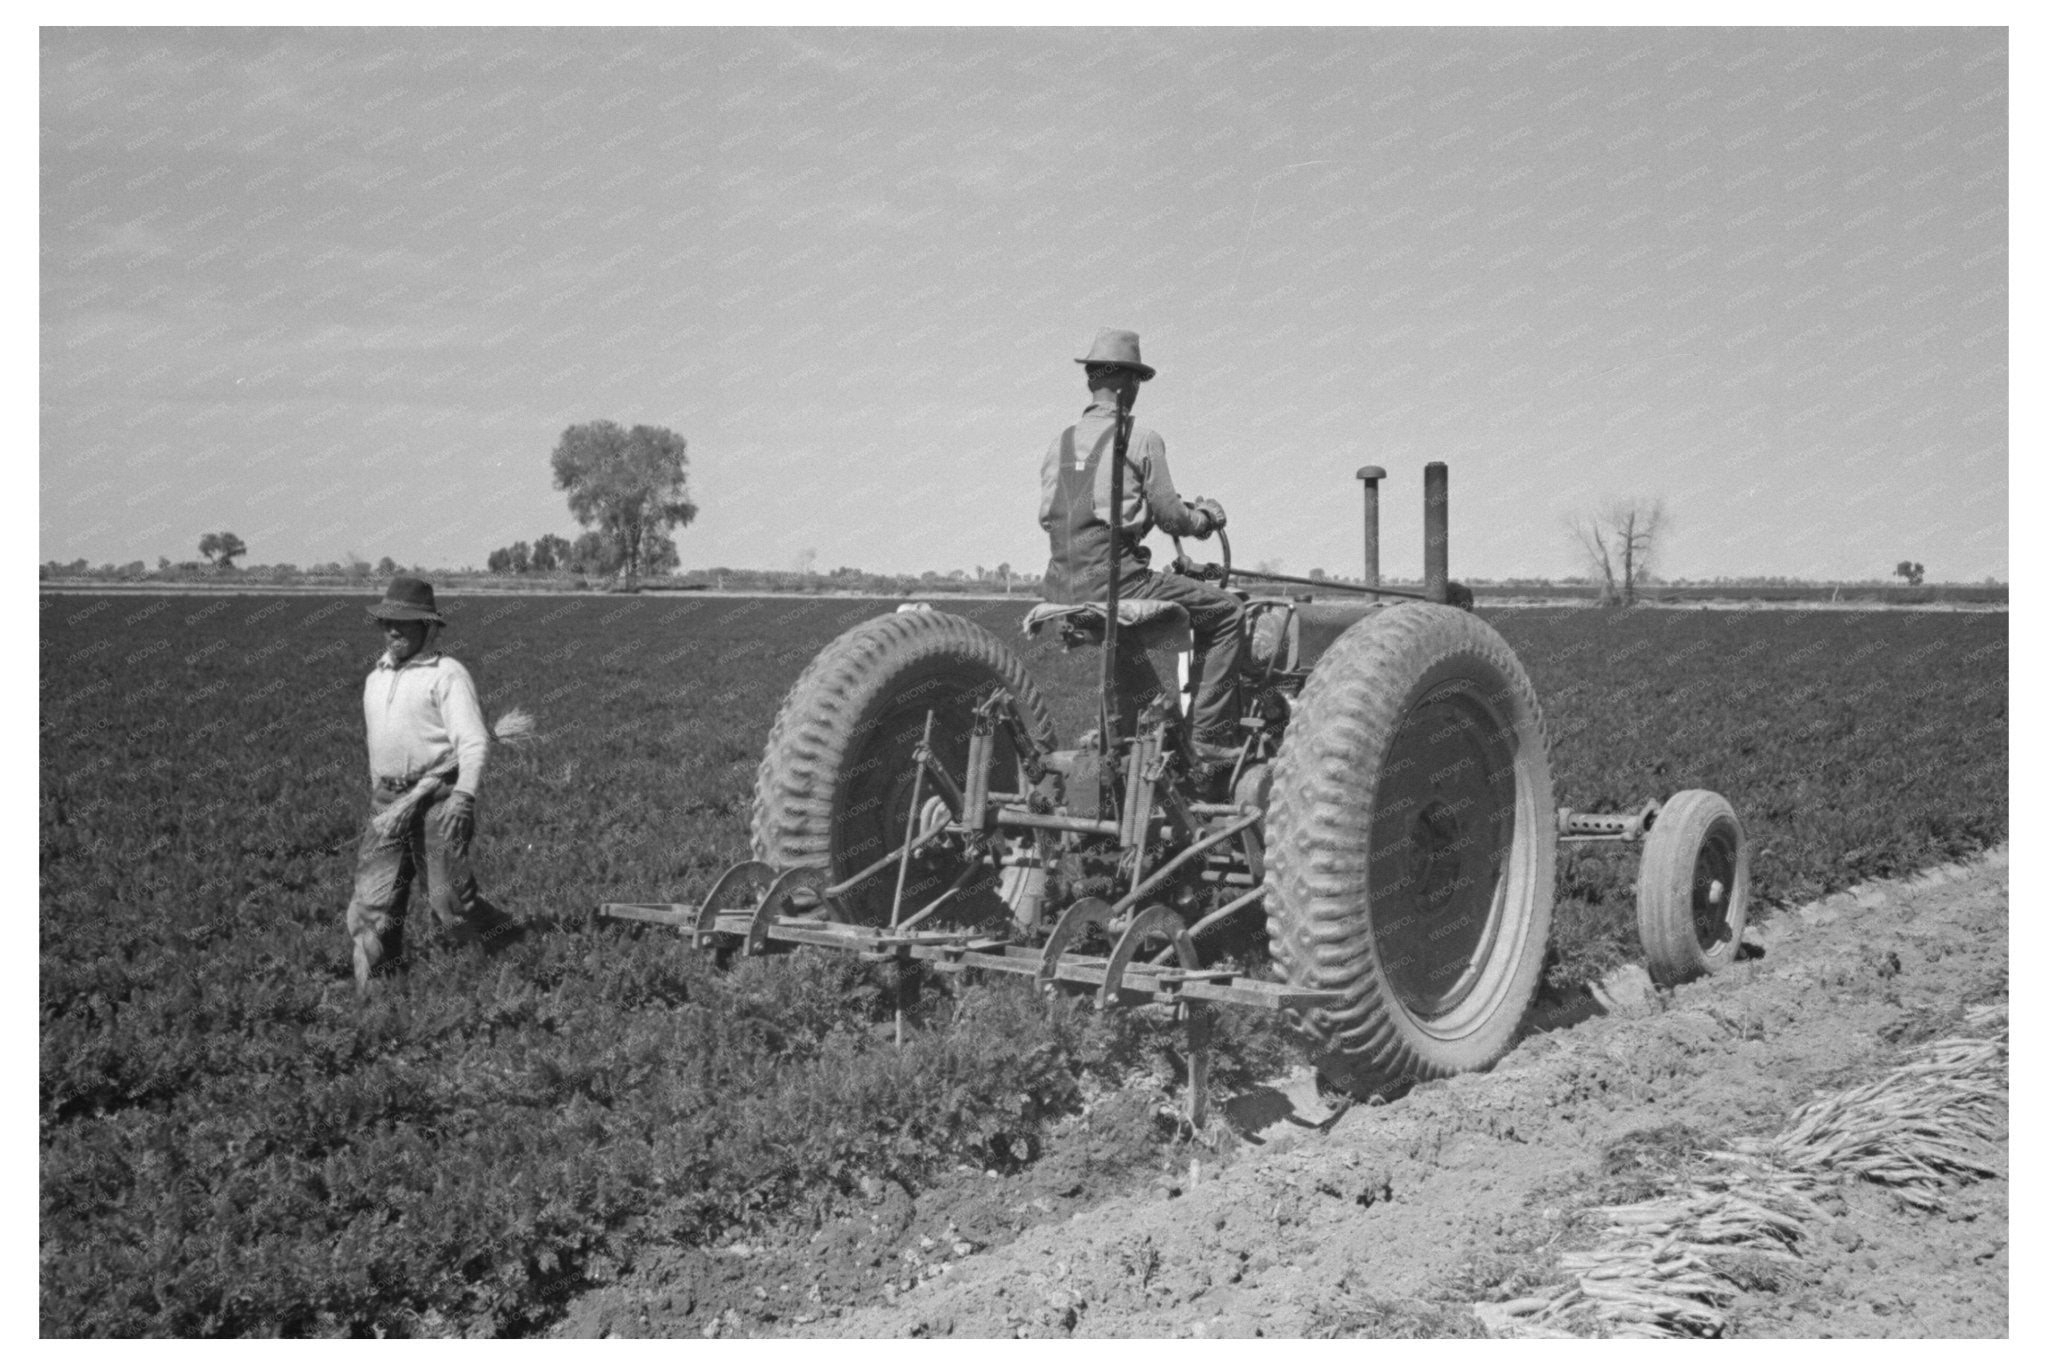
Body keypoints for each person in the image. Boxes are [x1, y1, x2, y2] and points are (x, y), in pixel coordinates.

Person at [1039, 328, 1244, 763]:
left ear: (1091, 380)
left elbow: (1049, 518)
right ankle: (1209, 739)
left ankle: (1129, 741)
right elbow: (1172, 516)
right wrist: (1205, 520)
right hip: (1118, 583)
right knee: (1229, 613)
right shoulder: (1140, 437)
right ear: (1128, 383)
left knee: (1131, 651)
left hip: (1061, 587)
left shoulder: (1059, 443)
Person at [345, 575, 516, 992]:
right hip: (388, 800)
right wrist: (380, 798)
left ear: (428, 627)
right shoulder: (376, 678)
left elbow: (472, 740)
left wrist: (463, 795)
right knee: (371, 903)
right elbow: (375, 747)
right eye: (386, 622)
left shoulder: (447, 674)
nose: (392, 630)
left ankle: (507, 947)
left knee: (448, 902)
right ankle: (377, 988)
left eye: (403, 623)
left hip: (439, 797)